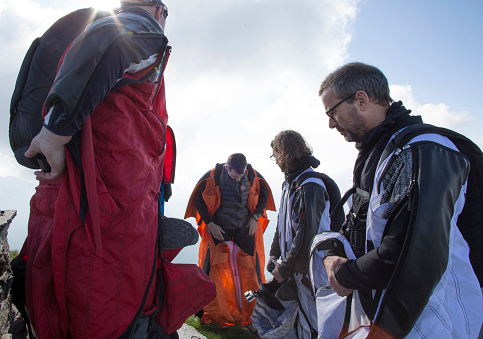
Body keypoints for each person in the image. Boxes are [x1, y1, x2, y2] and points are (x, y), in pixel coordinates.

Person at [21, 1, 178, 337]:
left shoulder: (83, 42)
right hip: (105, 220)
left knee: (60, 310)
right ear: (159, 10)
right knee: (102, 315)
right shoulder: (141, 25)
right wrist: (55, 133)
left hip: (73, 204)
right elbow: (116, 39)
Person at [313, 62, 482, 338]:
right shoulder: (381, 151)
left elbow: (409, 256)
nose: (331, 123)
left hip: (434, 322)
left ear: (361, 100)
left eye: (332, 112)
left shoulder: (422, 151)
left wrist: (343, 274)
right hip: (398, 316)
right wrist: (333, 249)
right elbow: (364, 223)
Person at [251, 130, 344, 338]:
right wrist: (275, 252)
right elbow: (282, 224)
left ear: (284, 153)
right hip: (299, 267)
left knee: (314, 322)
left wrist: (284, 269)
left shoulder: (309, 185)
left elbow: (307, 233)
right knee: (301, 319)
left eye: (275, 155)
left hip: (313, 269)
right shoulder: (292, 183)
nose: (275, 161)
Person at [184, 153, 276, 327]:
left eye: (241, 176)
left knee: (252, 270)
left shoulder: (253, 175)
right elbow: (199, 200)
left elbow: (264, 194)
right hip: (220, 229)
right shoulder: (213, 176)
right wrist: (210, 224)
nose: (238, 179)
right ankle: (207, 311)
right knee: (211, 269)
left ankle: (253, 311)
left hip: (245, 229)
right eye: (235, 176)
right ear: (227, 168)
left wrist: (255, 217)